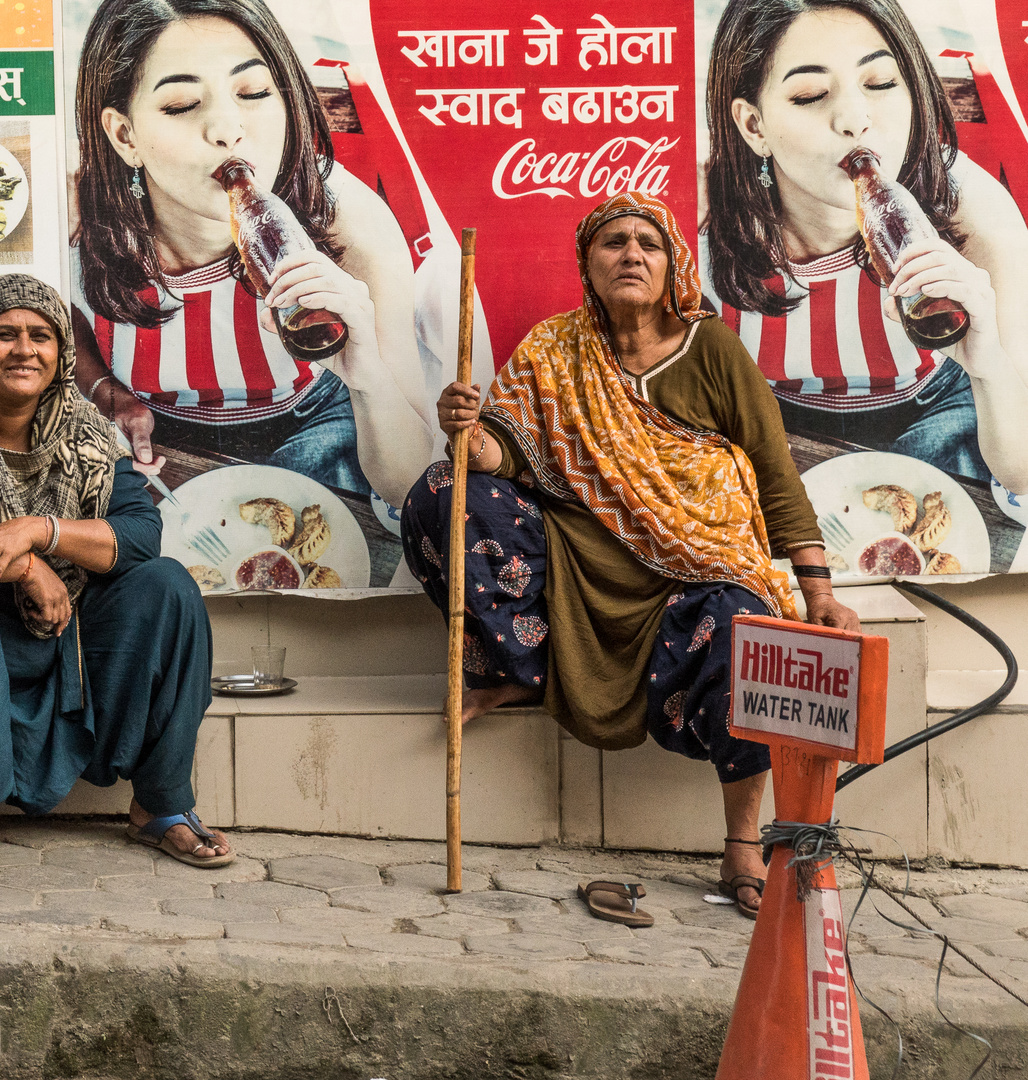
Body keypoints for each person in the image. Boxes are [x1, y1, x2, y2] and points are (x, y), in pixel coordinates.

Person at [402, 193, 859, 920]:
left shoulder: (711, 347)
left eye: (648, 243)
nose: (632, 255)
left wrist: (817, 590)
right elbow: (502, 453)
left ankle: (742, 845)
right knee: (446, 489)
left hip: (701, 568)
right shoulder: (557, 347)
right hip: (582, 557)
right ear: (589, 263)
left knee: (745, 636)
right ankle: (515, 670)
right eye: (613, 242)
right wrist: (464, 428)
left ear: (672, 261)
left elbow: (775, 471)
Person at [0, 273, 232, 878]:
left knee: (168, 586)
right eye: (4, 334)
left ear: (60, 352)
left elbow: (138, 534)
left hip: (69, 640)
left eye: (41, 335)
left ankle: (160, 804)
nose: (24, 348)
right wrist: (23, 567)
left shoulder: (84, 429)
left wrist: (38, 531)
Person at [70, 0, 433, 509]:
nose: (226, 129)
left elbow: (413, 481)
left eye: (254, 92)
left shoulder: (347, 222)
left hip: (316, 424)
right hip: (157, 440)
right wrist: (105, 389)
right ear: (125, 135)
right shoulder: (78, 221)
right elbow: (62, 323)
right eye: (180, 105)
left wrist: (369, 373)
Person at [702, 0, 1028, 491]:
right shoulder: (697, 223)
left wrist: (989, 368)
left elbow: (1022, 473)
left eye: (879, 84)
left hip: (936, 415)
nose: (855, 119)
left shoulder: (971, 209)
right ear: (754, 126)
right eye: (810, 94)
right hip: (770, 428)